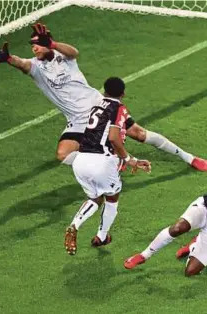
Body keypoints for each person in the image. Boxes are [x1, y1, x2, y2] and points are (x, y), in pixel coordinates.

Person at [0, 23, 207, 172]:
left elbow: (74, 52)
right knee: (63, 154)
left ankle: (189, 158)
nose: (34, 48)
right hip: (77, 119)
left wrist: (53, 44)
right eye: (33, 45)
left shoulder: (63, 57)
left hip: (99, 106)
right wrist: (8, 59)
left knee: (139, 133)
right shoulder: (35, 67)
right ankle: (112, 161)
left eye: (38, 44)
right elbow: (22, 64)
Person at [64, 77, 151, 255]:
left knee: (95, 198)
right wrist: (128, 160)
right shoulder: (118, 108)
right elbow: (112, 137)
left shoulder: (96, 106)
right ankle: (102, 236)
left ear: (104, 91)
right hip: (101, 162)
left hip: (80, 160)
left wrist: (130, 158)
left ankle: (75, 224)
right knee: (112, 198)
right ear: (123, 93)